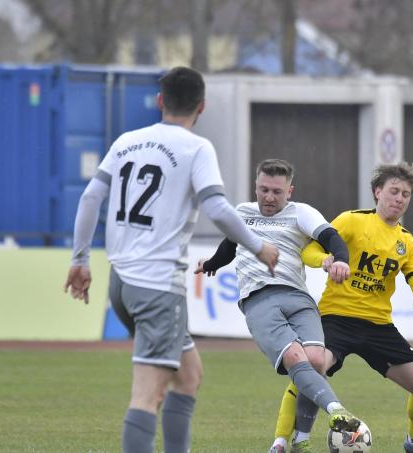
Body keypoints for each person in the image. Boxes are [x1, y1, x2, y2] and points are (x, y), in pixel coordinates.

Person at [63, 67, 279, 453]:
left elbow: (89, 199)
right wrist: (258, 246)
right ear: (202, 106)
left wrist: (80, 259)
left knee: (188, 375)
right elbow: (217, 207)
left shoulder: (127, 141)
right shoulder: (197, 148)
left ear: (161, 101)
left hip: (122, 283)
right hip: (158, 287)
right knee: (147, 395)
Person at [267, 162, 413, 453]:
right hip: (336, 318)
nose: (400, 198)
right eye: (394, 191)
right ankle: (282, 441)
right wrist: (326, 261)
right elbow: (310, 249)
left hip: (378, 326)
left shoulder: (407, 242)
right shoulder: (352, 221)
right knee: (311, 367)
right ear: (377, 192)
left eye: (406, 194)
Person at [194, 158, 363, 453]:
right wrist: (210, 264)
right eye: (263, 190)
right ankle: (337, 410)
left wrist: (341, 262)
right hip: (259, 299)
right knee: (296, 357)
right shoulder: (242, 213)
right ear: (255, 187)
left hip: (298, 297)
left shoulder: (302, 213)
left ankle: (300, 441)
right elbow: (229, 247)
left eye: (277, 191)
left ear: (290, 191)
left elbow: (332, 238)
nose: (269, 197)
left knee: (317, 360)